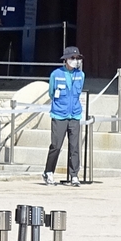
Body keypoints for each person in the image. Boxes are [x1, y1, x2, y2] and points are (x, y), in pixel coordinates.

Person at [43, 46, 85, 187]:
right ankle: (48, 172)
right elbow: (51, 92)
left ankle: (74, 175)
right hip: (59, 114)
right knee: (56, 145)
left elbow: (78, 92)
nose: (75, 60)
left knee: (74, 146)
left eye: (77, 58)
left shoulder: (80, 75)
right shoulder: (56, 74)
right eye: (72, 58)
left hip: (75, 114)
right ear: (66, 59)